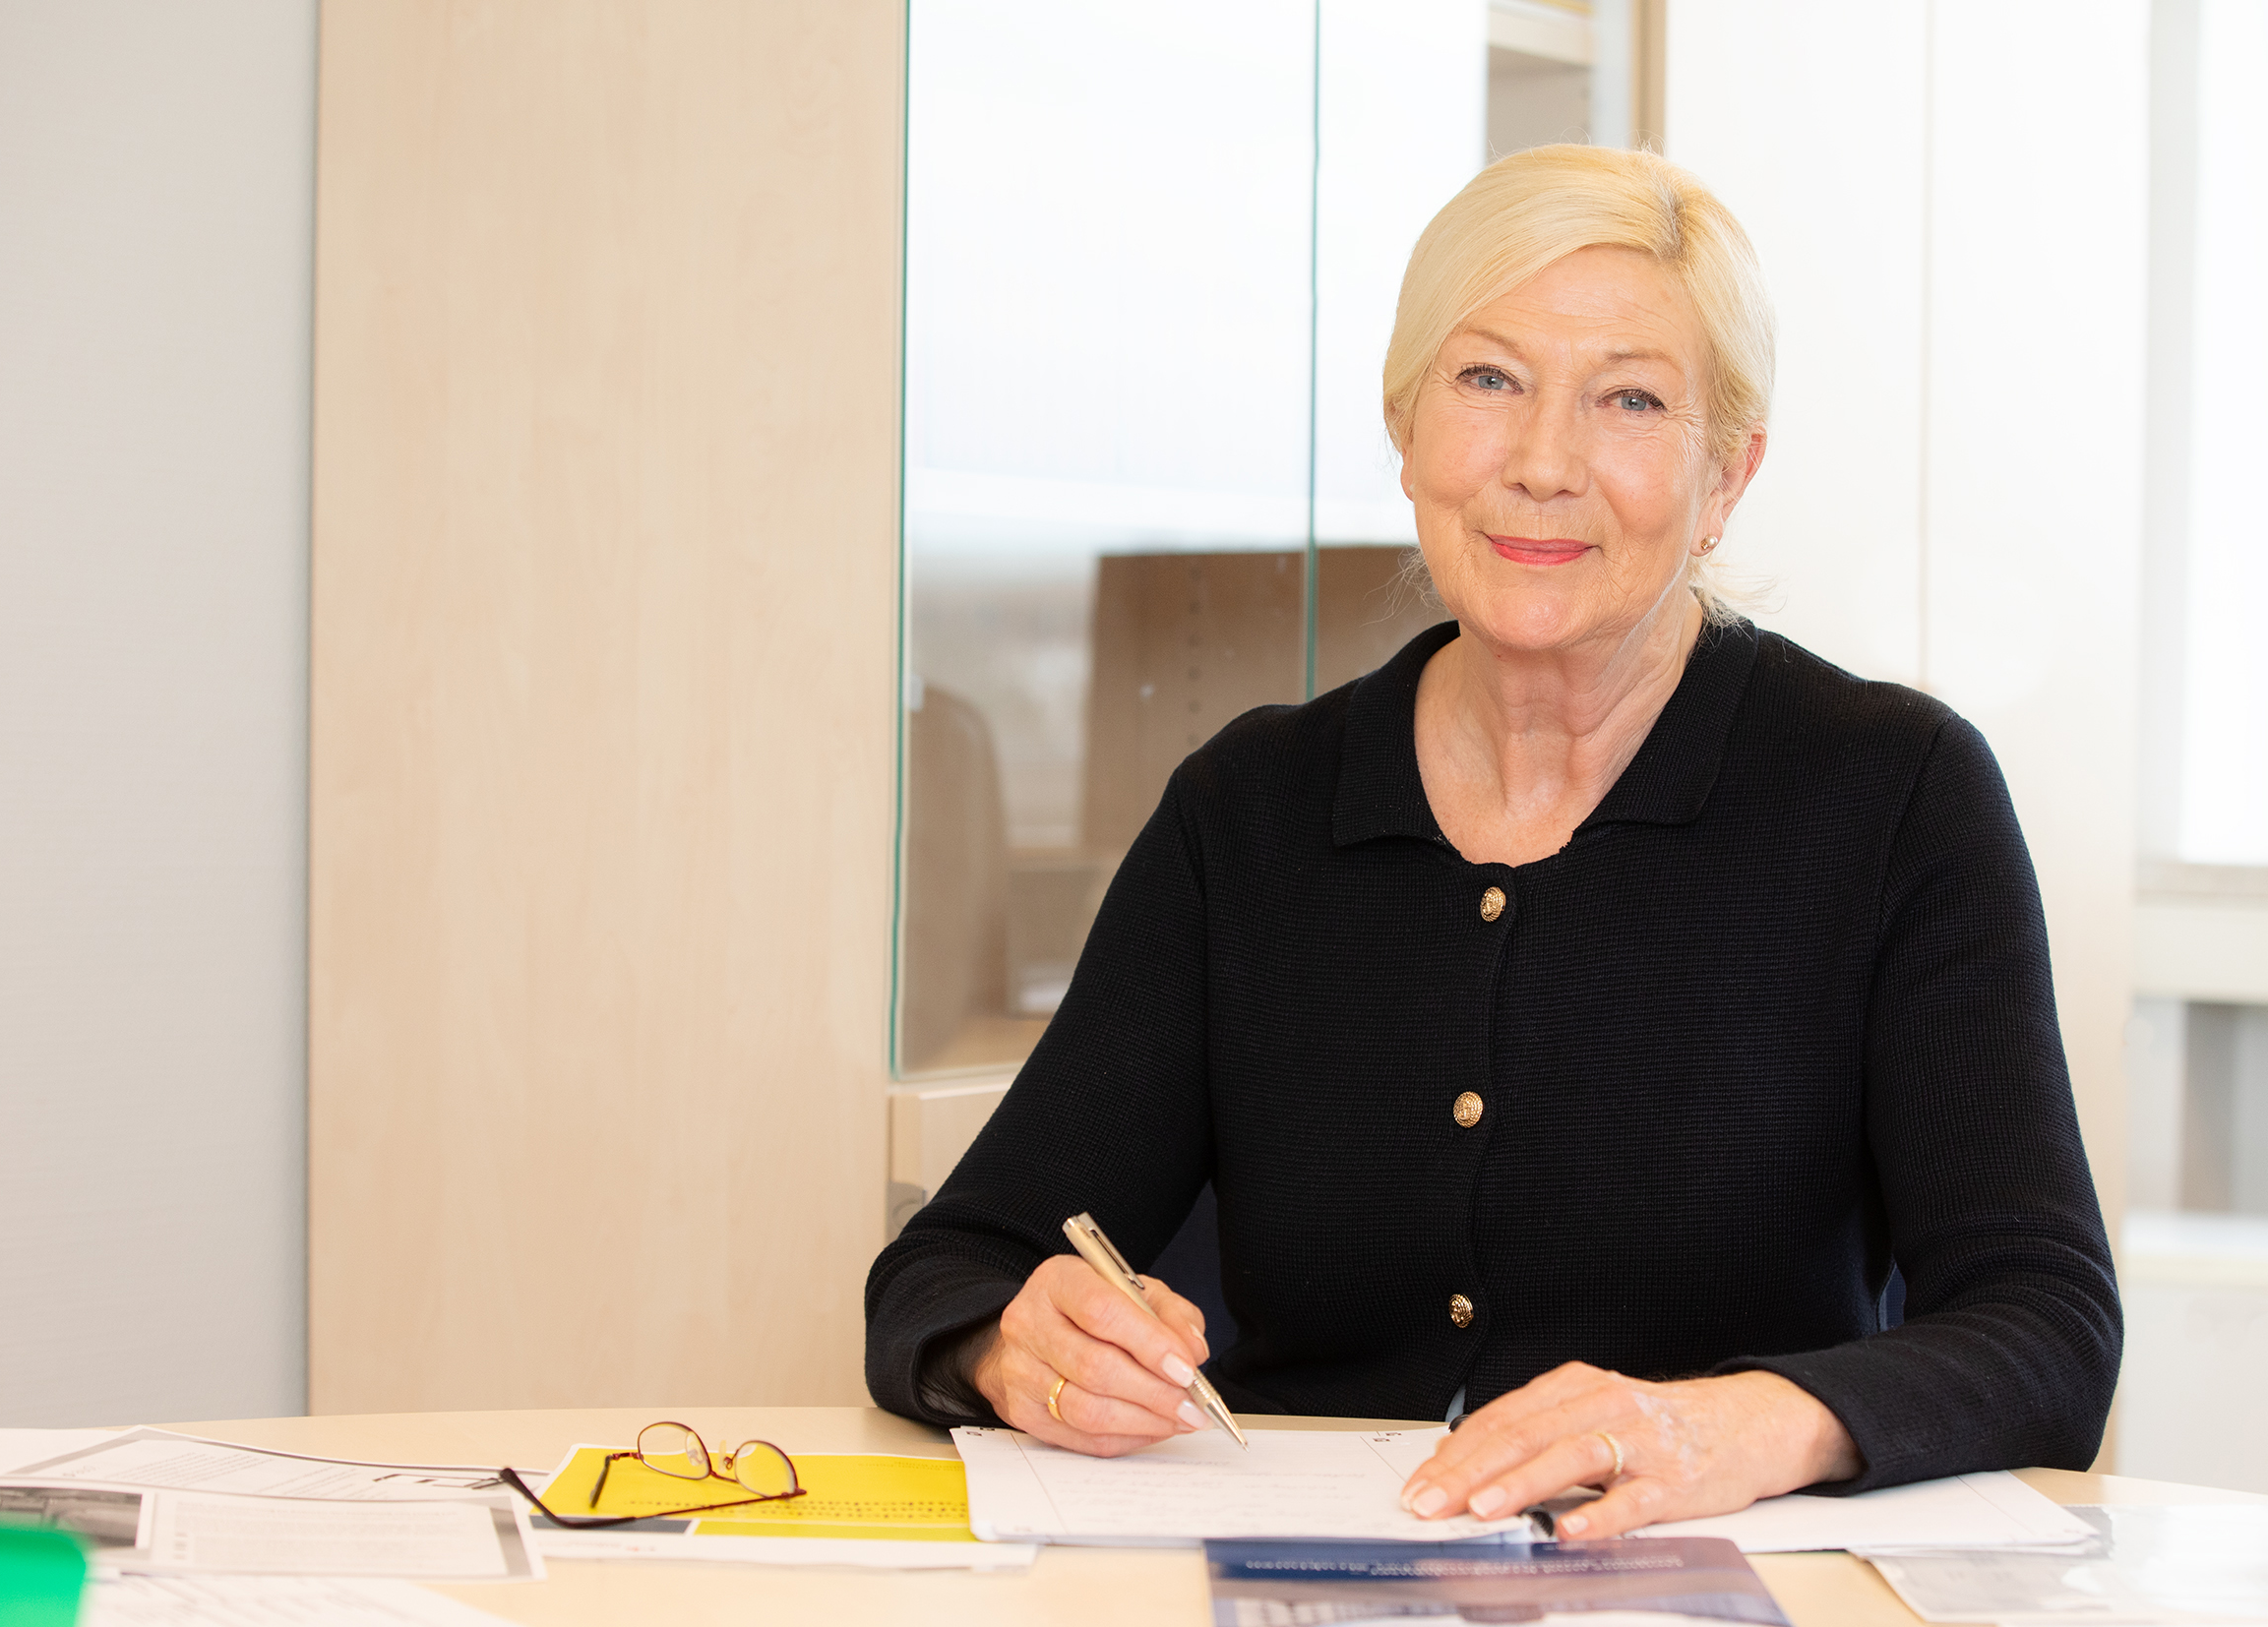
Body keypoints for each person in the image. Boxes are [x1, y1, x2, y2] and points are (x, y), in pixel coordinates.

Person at [864, 144, 2119, 1537]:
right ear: (1407, 431)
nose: (1540, 463)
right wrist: (1010, 1341)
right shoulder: (1253, 807)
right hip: (1298, 1575)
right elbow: (953, 1265)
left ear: (1726, 478)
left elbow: (2048, 1327)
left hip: (1719, 1578)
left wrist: (1740, 1422)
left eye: (1630, 399)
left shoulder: (1895, 795)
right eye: (1487, 380)